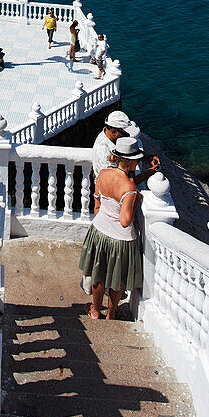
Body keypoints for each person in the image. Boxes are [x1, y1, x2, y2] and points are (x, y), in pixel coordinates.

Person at [79, 136, 144, 319]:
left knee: (98, 275)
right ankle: (113, 311)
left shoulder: (104, 174)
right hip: (121, 239)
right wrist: (136, 202)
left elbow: (97, 203)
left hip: (99, 232)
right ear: (129, 161)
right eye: (136, 159)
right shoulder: (130, 189)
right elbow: (125, 220)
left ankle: (96, 310)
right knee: (117, 279)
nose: (138, 161)